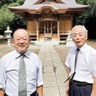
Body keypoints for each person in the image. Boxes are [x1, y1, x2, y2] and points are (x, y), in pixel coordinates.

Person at [0, 29, 43, 96]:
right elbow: (1, 85)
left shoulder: (35, 58)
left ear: (29, 41)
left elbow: (39, 82)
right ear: (13, 41)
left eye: (24, 39)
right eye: (18, 39)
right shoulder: (5, 60)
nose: (21, 42)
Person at [65, 25, 96, 96]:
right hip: (73, 86)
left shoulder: (93, 53)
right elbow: (69, 69)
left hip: (86, 88)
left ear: (86, 37)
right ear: (72, 38)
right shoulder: (71, 50)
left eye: (80, 35)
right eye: (74, 35)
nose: (77, 38)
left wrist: (94, 93)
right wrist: (68, 86)